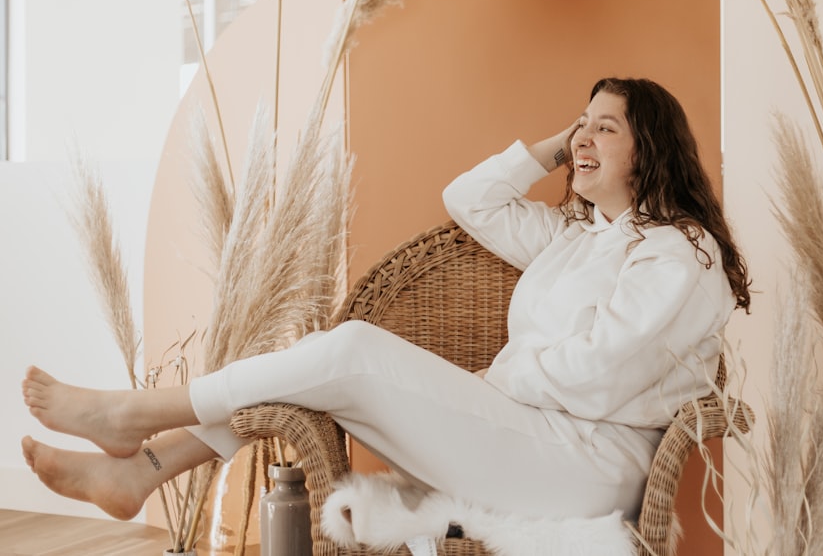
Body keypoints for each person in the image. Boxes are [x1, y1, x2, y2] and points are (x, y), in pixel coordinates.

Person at [22, 77, 750, 525]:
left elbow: (601, 371)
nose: (586, 135)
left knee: (350, 349)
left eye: (607, 126)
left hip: (588, 466)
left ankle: (134, 418)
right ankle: (141, 469)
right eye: (581, 121)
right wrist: (556, 147)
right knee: (325, 362)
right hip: (525, 436)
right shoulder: (574, 234)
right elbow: (469, 199)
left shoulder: (677, 250)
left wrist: (491, 385)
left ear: (650, 148)